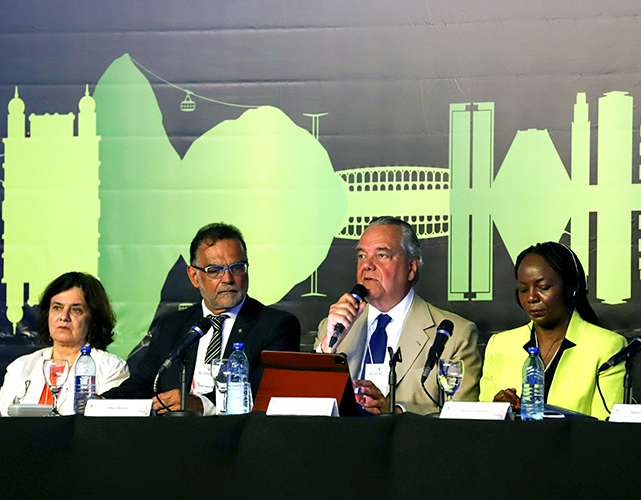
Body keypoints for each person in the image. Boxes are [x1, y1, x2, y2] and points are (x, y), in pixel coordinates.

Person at [103, 222, 301, 415]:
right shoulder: (172, 326)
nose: (228, 279)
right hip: (173, 436)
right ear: (194, 276)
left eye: (237, 267)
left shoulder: (276, 326)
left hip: (239, 439)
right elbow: (143, 383)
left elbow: (264, 393)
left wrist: (202, 404)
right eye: (215, 270)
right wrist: (101, 402)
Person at [315, 216, 482, 414]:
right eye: (361, 256)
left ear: (411, 268)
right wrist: (328, 346)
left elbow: (461, 419)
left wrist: (396, 412)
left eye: (382, 256)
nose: (367, 265)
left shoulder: (456, 335)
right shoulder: (333, 327)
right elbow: (311, 406)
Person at [479, 242, 627, 420]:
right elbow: (482, 425)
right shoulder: (499, 345)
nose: (531, 298)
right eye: (523, 289)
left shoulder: (607, 347)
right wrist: (497, 411)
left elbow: (606, 428)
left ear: (572, 290)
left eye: (543, 287)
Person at [0, 272, 129, 416]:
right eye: (57, 307)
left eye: (76, 310)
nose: (64, 317)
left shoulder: (111, 369)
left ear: (93, 320)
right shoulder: (19, 368)